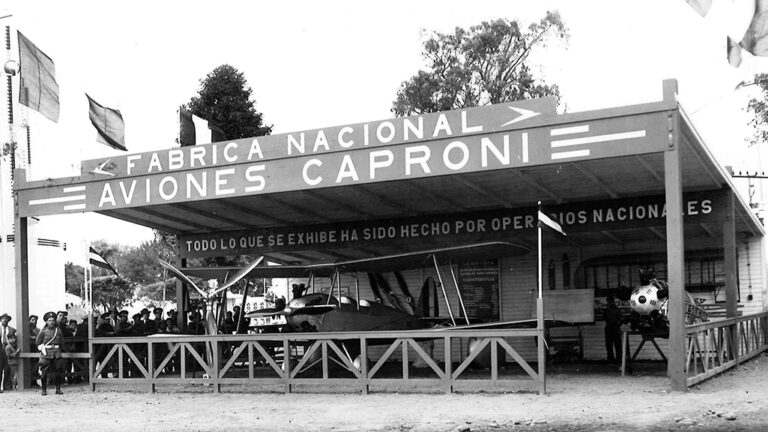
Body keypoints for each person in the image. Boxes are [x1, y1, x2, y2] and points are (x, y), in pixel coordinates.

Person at [36, 311, 65, 395]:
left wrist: (61, 350)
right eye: (49, 320)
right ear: (46, 322)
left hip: (57, 353)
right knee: (44, 372)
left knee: (58, 372)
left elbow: (62, 342)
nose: (51, 322)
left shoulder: (58, 330)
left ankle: (58, 389)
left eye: (53, 320)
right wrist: (42, 349)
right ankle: (44, 390)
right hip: (46, 354)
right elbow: (38, 342)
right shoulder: (43, 331)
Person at [604, 295, 623, 364]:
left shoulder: (607, 310)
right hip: (615, 327)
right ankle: (618, 359)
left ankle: (611, 359)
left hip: (610, 327)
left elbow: (605, 318)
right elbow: (620, 319)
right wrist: (618, 325)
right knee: (616, 344)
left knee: (610, 344)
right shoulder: (617, 309)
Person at [0, 313, 16, 390]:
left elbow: (15, 339)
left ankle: (7, 386)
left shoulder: (12, 330)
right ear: (0, 320)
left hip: (8, 349)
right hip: (0, 349)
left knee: (7, 368)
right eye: (3, 318)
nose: (4, 320)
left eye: (6, 319)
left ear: (8, 321)